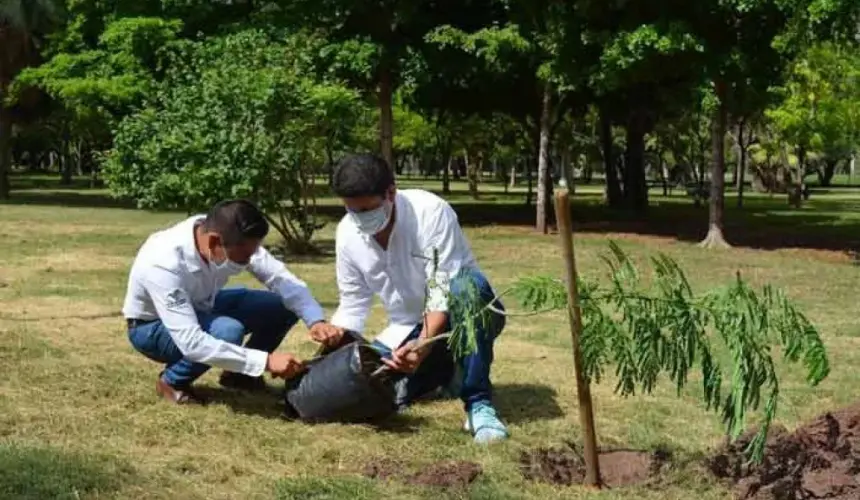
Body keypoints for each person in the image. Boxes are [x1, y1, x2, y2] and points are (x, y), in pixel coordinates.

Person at [326, 153, 509, 444]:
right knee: (379, 388)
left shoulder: (430, 212)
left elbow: (442, 289)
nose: (360, 219)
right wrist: (335, 335)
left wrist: (421, 345)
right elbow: (354, 301)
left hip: (467, 312)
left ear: (391, 192)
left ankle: (478, 402)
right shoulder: (347, 233)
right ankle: (448, 372)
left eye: (367, 209)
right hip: (406, 328)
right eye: (352, 210)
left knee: (466, 287)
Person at [122, 199, 343, 405]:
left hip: (203, 304)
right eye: (243, 255)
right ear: (214, 242)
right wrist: (264, 362)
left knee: (280, 306)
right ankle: (172, 381)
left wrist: (316, 321)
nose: (249, 260)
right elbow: (191, 341)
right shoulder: (163, 263)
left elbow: (282, 279)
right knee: (227, 331)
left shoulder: (228, 233)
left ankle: (238, 376)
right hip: (151, 327)